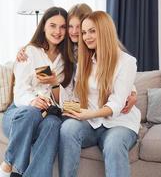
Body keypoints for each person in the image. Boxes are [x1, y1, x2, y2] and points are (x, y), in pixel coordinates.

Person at [58, 11, 141, 177]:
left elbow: (117, 103)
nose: (86, 36)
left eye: (92, 31)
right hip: (91, 122)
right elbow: (77, 96)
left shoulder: (127, 62)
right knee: (67, 128)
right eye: (84, 32)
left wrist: (89, 114)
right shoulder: (85, 61)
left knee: (114, 144)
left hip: (120, 123)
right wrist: (69, 108)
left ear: (104, 30)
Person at [17, 3, 137, 113]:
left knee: (66, 120)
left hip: (89, 108)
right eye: (70, 26)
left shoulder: (95, 50)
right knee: (66, 122)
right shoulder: (67, 50)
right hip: (69, 105)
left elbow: (119, 74)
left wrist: (133, 92)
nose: (74, 32)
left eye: (79, 27)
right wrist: (24, 49)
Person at [0, 7, 69, 177]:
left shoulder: (68, 59)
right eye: (53, 25)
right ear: (43, 26)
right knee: (31, 112)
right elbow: (20, 89)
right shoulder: (30, 52)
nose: (57, 31)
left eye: (62, 27)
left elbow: (68, 98)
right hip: (21, 113)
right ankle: (8, 164)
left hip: (48, 114)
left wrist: (54, 83)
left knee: (53, 124)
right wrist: (32, 101)